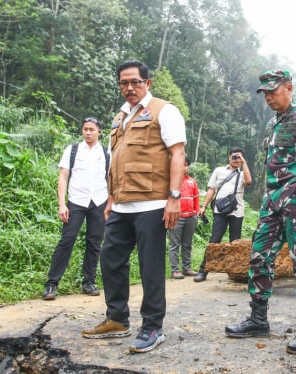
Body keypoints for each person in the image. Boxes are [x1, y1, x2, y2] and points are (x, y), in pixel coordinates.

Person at [224, 70, 296, 355]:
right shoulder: (274, 123)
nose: (268, 97)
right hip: (272, 202)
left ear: (289, 88)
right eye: (264, 93)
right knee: (259, 256)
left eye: (273, 91)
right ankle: (258, 319)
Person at [81, 60, 186, 354]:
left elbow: (177, 154)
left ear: (147, 83)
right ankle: (117, 319)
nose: (129, 88)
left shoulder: (165, 111)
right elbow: (117, 160)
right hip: (121, 206)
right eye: (124, 83)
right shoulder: (119, 117)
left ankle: (153, 327)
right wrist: (112, 197)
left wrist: (174, 197)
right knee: (110, 258)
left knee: (150, 266)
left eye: (135, 82)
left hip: (153, 203)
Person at [42, 117, 108, 301]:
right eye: (85, 129)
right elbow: (63, 177)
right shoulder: (72, 150)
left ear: (99, 132)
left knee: (95, 242)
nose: (88, 132)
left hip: (99, 201)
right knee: (66, 240)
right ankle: (51, 284)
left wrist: (110, 203)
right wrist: (62, 204)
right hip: (76, 201)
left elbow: (110, 179)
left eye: (91, 129)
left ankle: (89, 282)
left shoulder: (105, 152)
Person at [194, 148, 252, 282]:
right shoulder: (219, 171)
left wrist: (244, 164)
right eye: (234, 157)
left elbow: (248, 182)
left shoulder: (243, 173)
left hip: (236, 210)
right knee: (215, 240)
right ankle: (203, 270)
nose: (236, 159)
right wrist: (204, 206)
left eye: (239, 157)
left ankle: (235, 273)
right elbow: (211, 189)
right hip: (220, 210)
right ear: (229, 157)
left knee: (235, 241)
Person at [168, 156, 200, 279]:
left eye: (186, 165)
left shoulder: (192, 181)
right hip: (176, 217)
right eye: (181, 164)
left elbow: (196, 198)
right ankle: (175, 270)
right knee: (174, 244)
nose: (183, 167)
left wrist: (196, 212)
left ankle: (187, 268)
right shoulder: (171, 181)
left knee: (187, 244)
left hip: (190, 217)